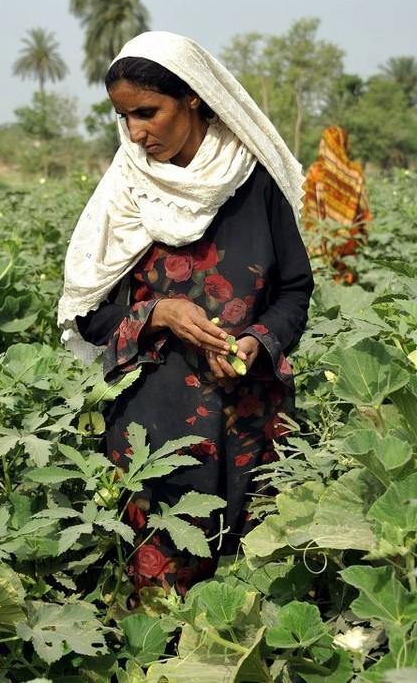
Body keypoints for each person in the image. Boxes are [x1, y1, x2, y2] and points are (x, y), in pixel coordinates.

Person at [58, 31, 313, 598]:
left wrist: (259, 341)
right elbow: (88, 315)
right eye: (124, 118)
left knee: (255, 585)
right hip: (157, 427)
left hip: (251, 417)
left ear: (194, 98)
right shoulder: (126, 192)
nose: (136, 133)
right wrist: (158, 313)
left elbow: (295, 289)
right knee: (160, 597)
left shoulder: (253, 182)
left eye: (148, 113)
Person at [301, 125, 372, 284]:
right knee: (346, 281)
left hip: (322, 236)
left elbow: (309, 207)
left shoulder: (315, 171)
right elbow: (363, 208)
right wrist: (365, 232)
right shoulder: (354, 173)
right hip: (348, 237)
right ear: (343, 143)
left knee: (323, 279)